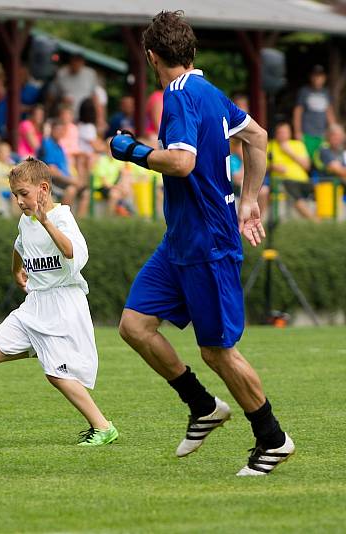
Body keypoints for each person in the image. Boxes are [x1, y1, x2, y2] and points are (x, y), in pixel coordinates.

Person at [112, 11, 294, 476]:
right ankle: (202, 407)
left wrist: (130, 150)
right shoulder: (210, 92)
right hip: (181, 240)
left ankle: (273, 439)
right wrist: (249, 200)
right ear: (189, 51)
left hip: (208, 242)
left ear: (152, 56)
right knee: (134, 325)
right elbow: (257, 136)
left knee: (217, 351)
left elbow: (180, 164)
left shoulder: (177, 96)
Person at [0, 157, 119, 446]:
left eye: (23, 193)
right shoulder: (25, 219)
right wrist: (15, 267)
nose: (19, 201)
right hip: (36, 302)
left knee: (56, 375)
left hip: (64, 303)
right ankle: (42, 349)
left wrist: (46, 222)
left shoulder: (61, 218)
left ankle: (103, 427)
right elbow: (19, 243)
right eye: (14, 195)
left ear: (43, 189)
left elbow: (73, 253)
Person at [266, 121, 316, 221]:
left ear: (290, 133)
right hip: (283, 181)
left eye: (285, 132)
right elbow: (261, 165)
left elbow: (307, 166)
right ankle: (314, 220)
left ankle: (325, 219)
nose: (283, 135)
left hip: (303, 181)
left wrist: (289, 152)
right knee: (290, 189)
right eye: (280, 132)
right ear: (276, 134)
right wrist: (272, 166)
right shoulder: (269, 146)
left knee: (320, 187)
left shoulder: (298, 145)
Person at [38, 121, 83, 210]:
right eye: (58, 130)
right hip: (52, 181)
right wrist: (71, 180)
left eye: (62, 130)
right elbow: (52, 170)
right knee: (71, 190)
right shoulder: (47, 144)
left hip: (63, 179)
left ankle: (81, 221)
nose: (60, 132)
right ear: (52, 130)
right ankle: (62, 217)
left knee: (85, 192)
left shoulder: (59, 146)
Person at [293, 65, 336, 157]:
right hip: (307, 134)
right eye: (315, 76)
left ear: (324, 78)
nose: (317, 78)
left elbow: (329, 112)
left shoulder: (326, 92)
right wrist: (297, 131)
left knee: (321, 159)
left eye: (320, 76)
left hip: (322, 134)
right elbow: (298, 112)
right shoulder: (304, 91)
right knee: (307, 159)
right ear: (311, 77)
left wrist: (333, 129)